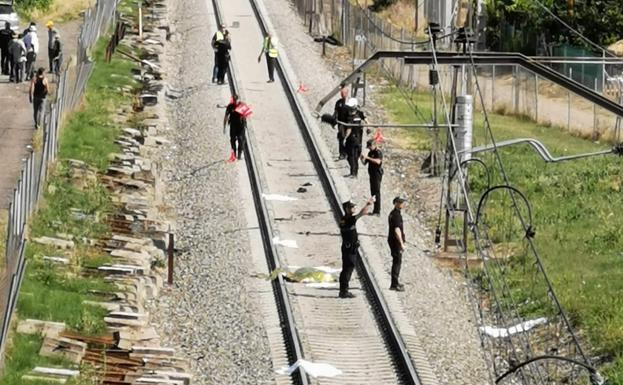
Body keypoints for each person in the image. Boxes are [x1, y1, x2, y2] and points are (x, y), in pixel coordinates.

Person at [339, 196, 375, 298]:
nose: (354, 209)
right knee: (347, 269)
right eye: (352, 207)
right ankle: (344, 291)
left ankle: (344, 290)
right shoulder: (348, 219)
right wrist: (368, 204)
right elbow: (362, 213)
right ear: (347, 209)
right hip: (349, 249)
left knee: (347, 269)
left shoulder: (345, 219)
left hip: (350, 248)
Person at [387, 196, 407, 291]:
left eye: (402, 202)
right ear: (396, 203)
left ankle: (395, 283)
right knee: (397, 262)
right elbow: (397, 230)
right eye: (400, 202)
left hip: (393, 240)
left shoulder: (394, 213)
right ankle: (394, 284)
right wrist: (401, 243)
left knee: (397, 261)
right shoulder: (396, 215)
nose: (402, 204)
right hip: (395, 242)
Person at [343, 98, 366, 178]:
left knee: (351, 156)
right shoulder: (360, 114)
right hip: (359, 139)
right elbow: (365, 120)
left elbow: (349, 129)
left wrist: (345, 138)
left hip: (352, 139)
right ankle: (354, 172)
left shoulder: (350, 117)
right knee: (355, 156)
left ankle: (353, 173)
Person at [361, 139, 383, 215]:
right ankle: (374, 210)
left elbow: (378, 161)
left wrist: (367, 158)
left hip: (377, 174)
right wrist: (362, 158)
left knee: (377, 192)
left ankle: (377, 211)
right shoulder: (370, 153)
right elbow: (364, 163)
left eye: (370, 146)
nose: (369, 148)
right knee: (373, 192)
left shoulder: (378, 152)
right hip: (371, 174)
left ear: (374, 145)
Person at [223, 94, 248, 161]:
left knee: (241, 140)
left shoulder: (242, 105)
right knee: (232, 140)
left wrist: (243, 114)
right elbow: (226, 116)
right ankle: (234, 154)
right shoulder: (230, 106)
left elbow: (246, 113)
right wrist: (224, 126)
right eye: (234, 100)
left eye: (236, 100)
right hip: (233, 125)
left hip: (240, 125)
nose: (235, 101)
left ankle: (239, 154)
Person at [333, 87, 349, 160]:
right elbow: (336, 112)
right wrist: (334, 121)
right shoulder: (338, 102)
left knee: (349, 138)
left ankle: (348, 152)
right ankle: (342, 153)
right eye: (341, 94)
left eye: (344, 93)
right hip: (341, 123)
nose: (342, 95)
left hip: (349, 123)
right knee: (341, 137)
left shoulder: (350, 102)